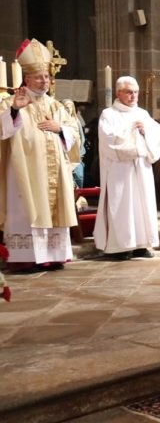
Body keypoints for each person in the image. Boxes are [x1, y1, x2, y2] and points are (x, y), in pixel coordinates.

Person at [0, 38, 80, 272]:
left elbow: (74, 133)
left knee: (53, 207)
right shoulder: (10, 102)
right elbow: (3, 130)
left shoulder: (56, 106)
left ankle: (53, 256)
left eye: (46, 76)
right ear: (27, 79)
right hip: (25, 170)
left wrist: (60, 128)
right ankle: (26, 258)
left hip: (54, 169)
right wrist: (15, 109)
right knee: (27, 208)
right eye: (38, 77)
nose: (44, 80)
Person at [95, 76, 160, 260]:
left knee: (142, 206)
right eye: (129, 92)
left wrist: (145, 131)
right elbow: (108, 140)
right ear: (118, 93)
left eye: (136, 92)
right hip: (120, 170)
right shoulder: (108, 114)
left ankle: (141, 245)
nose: (133, 96)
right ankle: (120, 247)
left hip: (141, 168)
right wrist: (131, 132)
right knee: (122, 206)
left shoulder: (142, 113)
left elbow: (159, 134)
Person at [62, 99, 87, 188]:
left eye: (70, 107)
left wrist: (80, 150)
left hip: (77, 154)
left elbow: (81, 137)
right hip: (66, 155)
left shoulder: (76, 121)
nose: (68, 109)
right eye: (66, 108)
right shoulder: (60, 121)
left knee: (79, 176)